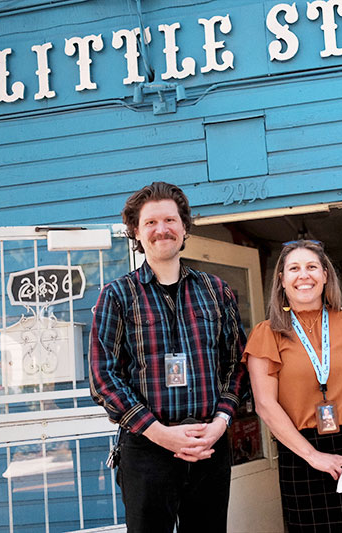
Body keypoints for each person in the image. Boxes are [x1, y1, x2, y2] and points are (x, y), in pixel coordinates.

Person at [89, 181, 248, 533]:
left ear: (184, 226)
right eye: (150, 223)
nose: (162, 230)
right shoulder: (116, 296)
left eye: (170, 220)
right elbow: (104, 378)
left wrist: (220, 423)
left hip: (210, 444)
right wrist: (160, 433)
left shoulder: (216, 290)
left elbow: (237, 365)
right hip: (147, 450)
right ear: (135, 231)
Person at [243, 239, 342, 532]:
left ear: (325, 275)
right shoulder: (267, 333)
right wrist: (313, 456)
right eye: (294, 268)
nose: (304, 275)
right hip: (302, 452)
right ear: (282, 279)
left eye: (312, 267)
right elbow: (265, 404)